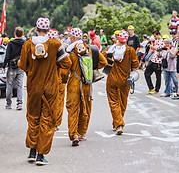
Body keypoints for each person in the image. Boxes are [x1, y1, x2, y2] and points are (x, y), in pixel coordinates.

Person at [18, 18, 71, 165]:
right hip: (50, 88)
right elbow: (67, 63)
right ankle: (41, 155)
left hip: (33, 87)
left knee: (33, 118)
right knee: (47, 120)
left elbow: (22, 65)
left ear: (36, 28)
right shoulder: (55, 44)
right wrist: (55, 70)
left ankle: (32, 152)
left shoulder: (28, 44)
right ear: (48, 29)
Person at [65, 28, 107, 146]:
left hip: (74, 83)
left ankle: (74, 135)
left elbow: (65, 69)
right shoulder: (90, 49)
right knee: (85, 108)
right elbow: (103, 62)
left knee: (73, 109)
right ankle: (82, 133)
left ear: (73, 38)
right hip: (86, 83)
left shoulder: (69, 51)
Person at [104, 30, 139, 135]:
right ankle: (118, 123)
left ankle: (118, 123)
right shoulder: (130, 50)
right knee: (123, 102)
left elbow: (101, 59)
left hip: (112, 79)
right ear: (127, 39)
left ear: (118, 38)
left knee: (113, 102)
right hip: (125, 80)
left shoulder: (109, 49)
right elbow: (136, 65)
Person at [2, 27, 25, 110]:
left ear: (15, 34)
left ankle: (9, 104)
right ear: (22, 34)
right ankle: (19, 104)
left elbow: (7, 56)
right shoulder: (24, 43)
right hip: (20, 66)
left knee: (9, 85)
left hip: (11, 67)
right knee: (19, 85)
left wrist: (4, 66)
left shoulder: (11, 43)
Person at [145, 30, 165, 94]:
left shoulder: (162, 42)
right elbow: (154, 49)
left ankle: (157, 90)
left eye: (155, 36)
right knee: (146, 73)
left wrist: (154, 48)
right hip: (153, 59)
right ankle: (151, 87)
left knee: (158, 76)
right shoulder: (155, 41)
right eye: (154, 36)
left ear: (158, 34)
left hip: (158, 61)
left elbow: (161, 50)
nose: (155, 37)